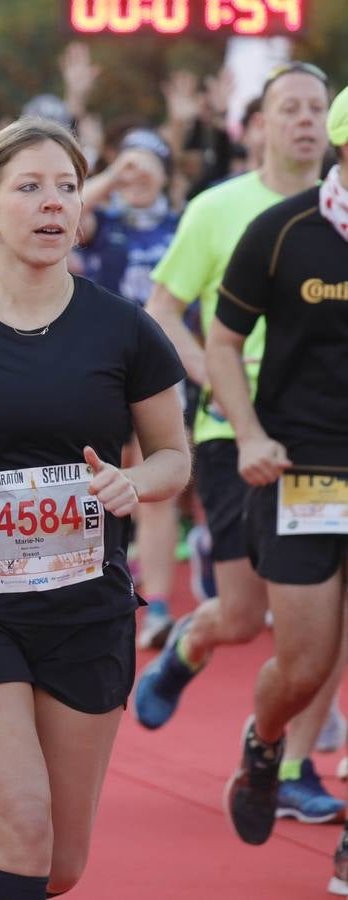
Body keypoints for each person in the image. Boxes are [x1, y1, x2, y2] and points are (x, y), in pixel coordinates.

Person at [0, 117, 189, 900]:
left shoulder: (126, 330)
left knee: (61, 865)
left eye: (67, 187)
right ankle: (5, 863)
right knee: (22, 820)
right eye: (30, 188)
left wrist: (134, 484)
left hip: (86, 607)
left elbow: (172, 457)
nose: (53, 204)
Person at [135, 61, 342, 824]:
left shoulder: (333, 216)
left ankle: (291, 766)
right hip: (236, 435)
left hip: (324, 443)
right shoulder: (223, 211)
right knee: (247, 616)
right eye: (287, 107)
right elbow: (163, 308)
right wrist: (212, 378)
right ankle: (193, 640)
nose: (302, 120)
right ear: (258, 124)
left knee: (323, 620)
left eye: (315, 107)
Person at [210, 86, 348, 859]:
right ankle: (265, 745)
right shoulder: (283, 231)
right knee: (305, 663)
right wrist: (249, 435)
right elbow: (223, 342)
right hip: (303, 471)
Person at [77, 127, 185, 650]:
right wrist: (113, 176)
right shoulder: (104, 222)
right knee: (94, 481)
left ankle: (160, 606)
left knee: (155, 484)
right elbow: (69, 212)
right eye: (129, 164)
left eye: (149, 164)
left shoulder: (182, 225)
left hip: (158, 374)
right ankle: (91, 588)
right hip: (94, 369)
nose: (137, 174)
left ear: (168, 172)